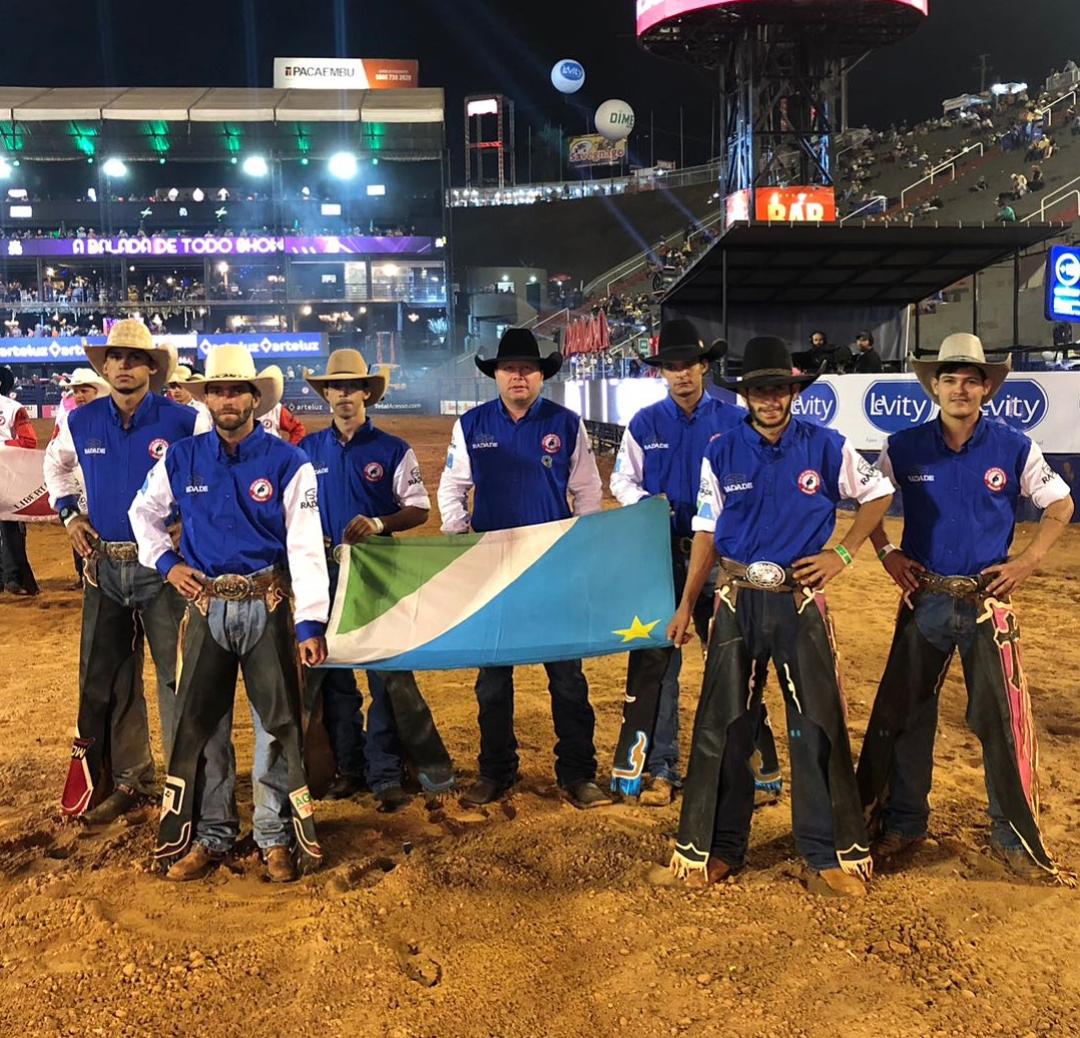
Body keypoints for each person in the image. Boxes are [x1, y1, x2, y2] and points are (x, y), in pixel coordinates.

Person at [650, 336, 894, 896]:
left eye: (779, 389)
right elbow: (707, 532)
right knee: (724, 725)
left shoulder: (827, 446)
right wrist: (687, 605)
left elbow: (878, 494)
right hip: (736, 598)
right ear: (747, 395)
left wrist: (844, 552)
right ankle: (717, 850)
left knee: (815, 723)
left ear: (792, 391)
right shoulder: (721, 450)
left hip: (800, 600)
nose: (770, 399)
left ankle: (823, 853)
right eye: (760, 390)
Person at [857, 334, 1074, 883]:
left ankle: (1012, 838)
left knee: (1000, 721)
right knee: (906, 716)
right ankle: (904, 823)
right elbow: (870, 499)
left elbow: (1061, 504)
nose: (960, 387)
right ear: (934, 386)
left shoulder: (1015, 447)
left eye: (971, 379)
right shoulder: (903, 446)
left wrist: (1026, 564)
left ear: (986, 388)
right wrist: (887, 552)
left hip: (986, 604)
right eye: (949, 378)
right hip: (924, 596)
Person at [128, 345, 330, 883]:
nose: (226, 399)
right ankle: (213, 833)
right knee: (205, 724)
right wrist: (168, 563)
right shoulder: (181, 458)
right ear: (207, 398)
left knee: (275, 725)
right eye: (216, 390)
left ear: (254, 398)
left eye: (236, 389)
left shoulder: (289, 462)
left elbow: (306, 545)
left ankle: (273, 835)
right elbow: (141, 512)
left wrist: (309, 621)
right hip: (207, 603)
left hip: (268, 603)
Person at [43, 320, 210, 824]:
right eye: (114, 358)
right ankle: (132, 778)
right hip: (105, 567)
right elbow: (55, 467)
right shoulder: (80, 419)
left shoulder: (185, 420)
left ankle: (185, 788)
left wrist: (193, 518)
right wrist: (70, 513)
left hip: (163, 570)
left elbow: (212, 474)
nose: (123, 366)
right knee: (111, 679)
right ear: (104, 366)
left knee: (176, 679)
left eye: (134, 358)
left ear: (153, 367)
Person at [437, 328, 609, 809]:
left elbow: (588, 491)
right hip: (493, 570)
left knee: (568, 679)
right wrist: (460, 536)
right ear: (495, 374)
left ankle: (577, 773)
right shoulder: (471, 425)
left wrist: (579, 542)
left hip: (553, 570)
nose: (518, 376)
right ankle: (496, 770)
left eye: (527, 369)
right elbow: (452, 488)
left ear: (541, 376)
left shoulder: (567, 423)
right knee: (492, 681)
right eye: (509, 368)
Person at [300, 349, 456, 809]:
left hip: (377, 570)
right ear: (326, 393)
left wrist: (380, 523)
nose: (344, 395)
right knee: (333, 674)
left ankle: (384, 771)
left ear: (366, 393)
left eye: (351, 387)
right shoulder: (307, 451)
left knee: (384, 673)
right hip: (324, 572)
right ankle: (350, 767)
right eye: (336, 386)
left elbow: (419, 507)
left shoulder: (392, 449)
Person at [608, 320, 744, 806]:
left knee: (729, 662)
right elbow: (622, 481)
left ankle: (728, 763)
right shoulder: (645, 423)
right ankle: (661, 765)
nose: (681, 374)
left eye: (689, 364)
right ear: (662, 372)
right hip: (662, 555)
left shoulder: (734, 420)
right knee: (658, 665)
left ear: (704, 366)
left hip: (721, 559)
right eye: (672, 366)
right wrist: (649, 501)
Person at [52, 368, 110, 589]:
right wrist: (67, 512)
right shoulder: (71, 422)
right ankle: (84, 576)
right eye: (75, 391)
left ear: (99, 391)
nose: (78, 396)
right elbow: (54, 461)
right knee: (83, 534)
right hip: (82, 490)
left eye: (84, 390)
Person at [0, 364, 40, 596]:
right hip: (8, 474)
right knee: (12, 525)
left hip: (6, 472)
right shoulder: (15, 408)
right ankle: (14, 578)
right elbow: (28, 441)